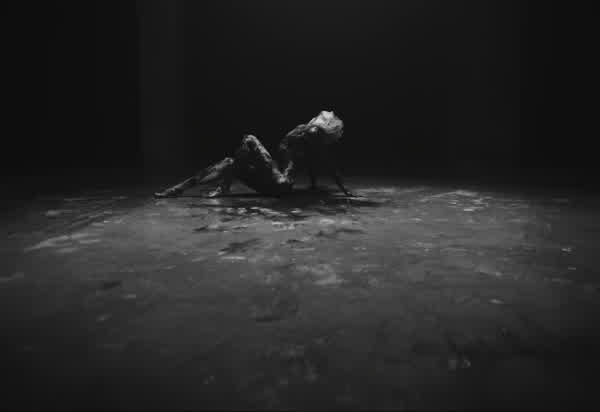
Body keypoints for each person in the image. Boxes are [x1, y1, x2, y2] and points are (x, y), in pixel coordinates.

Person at [153, 110, 353, 198]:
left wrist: (342, 190)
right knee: (230, 162)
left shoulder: (313, 144)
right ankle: (177, 190)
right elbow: (284, 147)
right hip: (273, 184)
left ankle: (219, 187)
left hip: (280, 184)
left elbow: (328, 166)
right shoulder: (299, 134)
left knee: (248, 140)